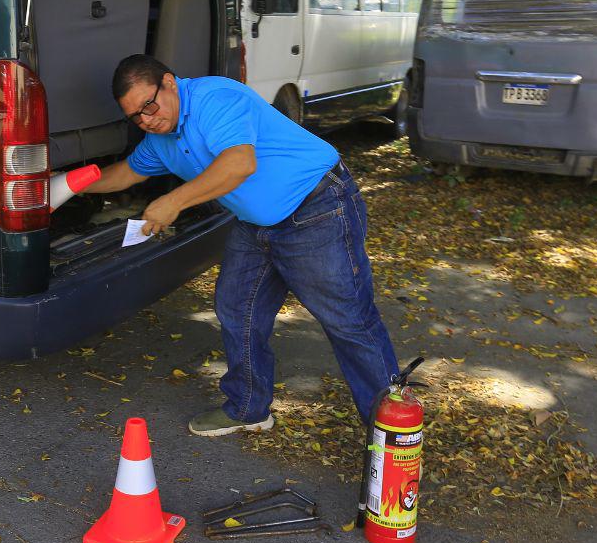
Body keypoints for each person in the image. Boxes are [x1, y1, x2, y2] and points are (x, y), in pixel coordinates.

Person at [82, 54, 399, 436]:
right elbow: (123, 174)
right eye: (135, 116)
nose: (146, 120)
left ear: (169, 82)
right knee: (237, 308)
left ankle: (393, 434)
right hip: (257, 224)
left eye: (148, 106)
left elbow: (239, 164)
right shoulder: (160, 139)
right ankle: (249, 408)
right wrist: (62, 185)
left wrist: (173, 202)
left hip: (317, 209)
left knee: (348, 320)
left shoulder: (213, 98)